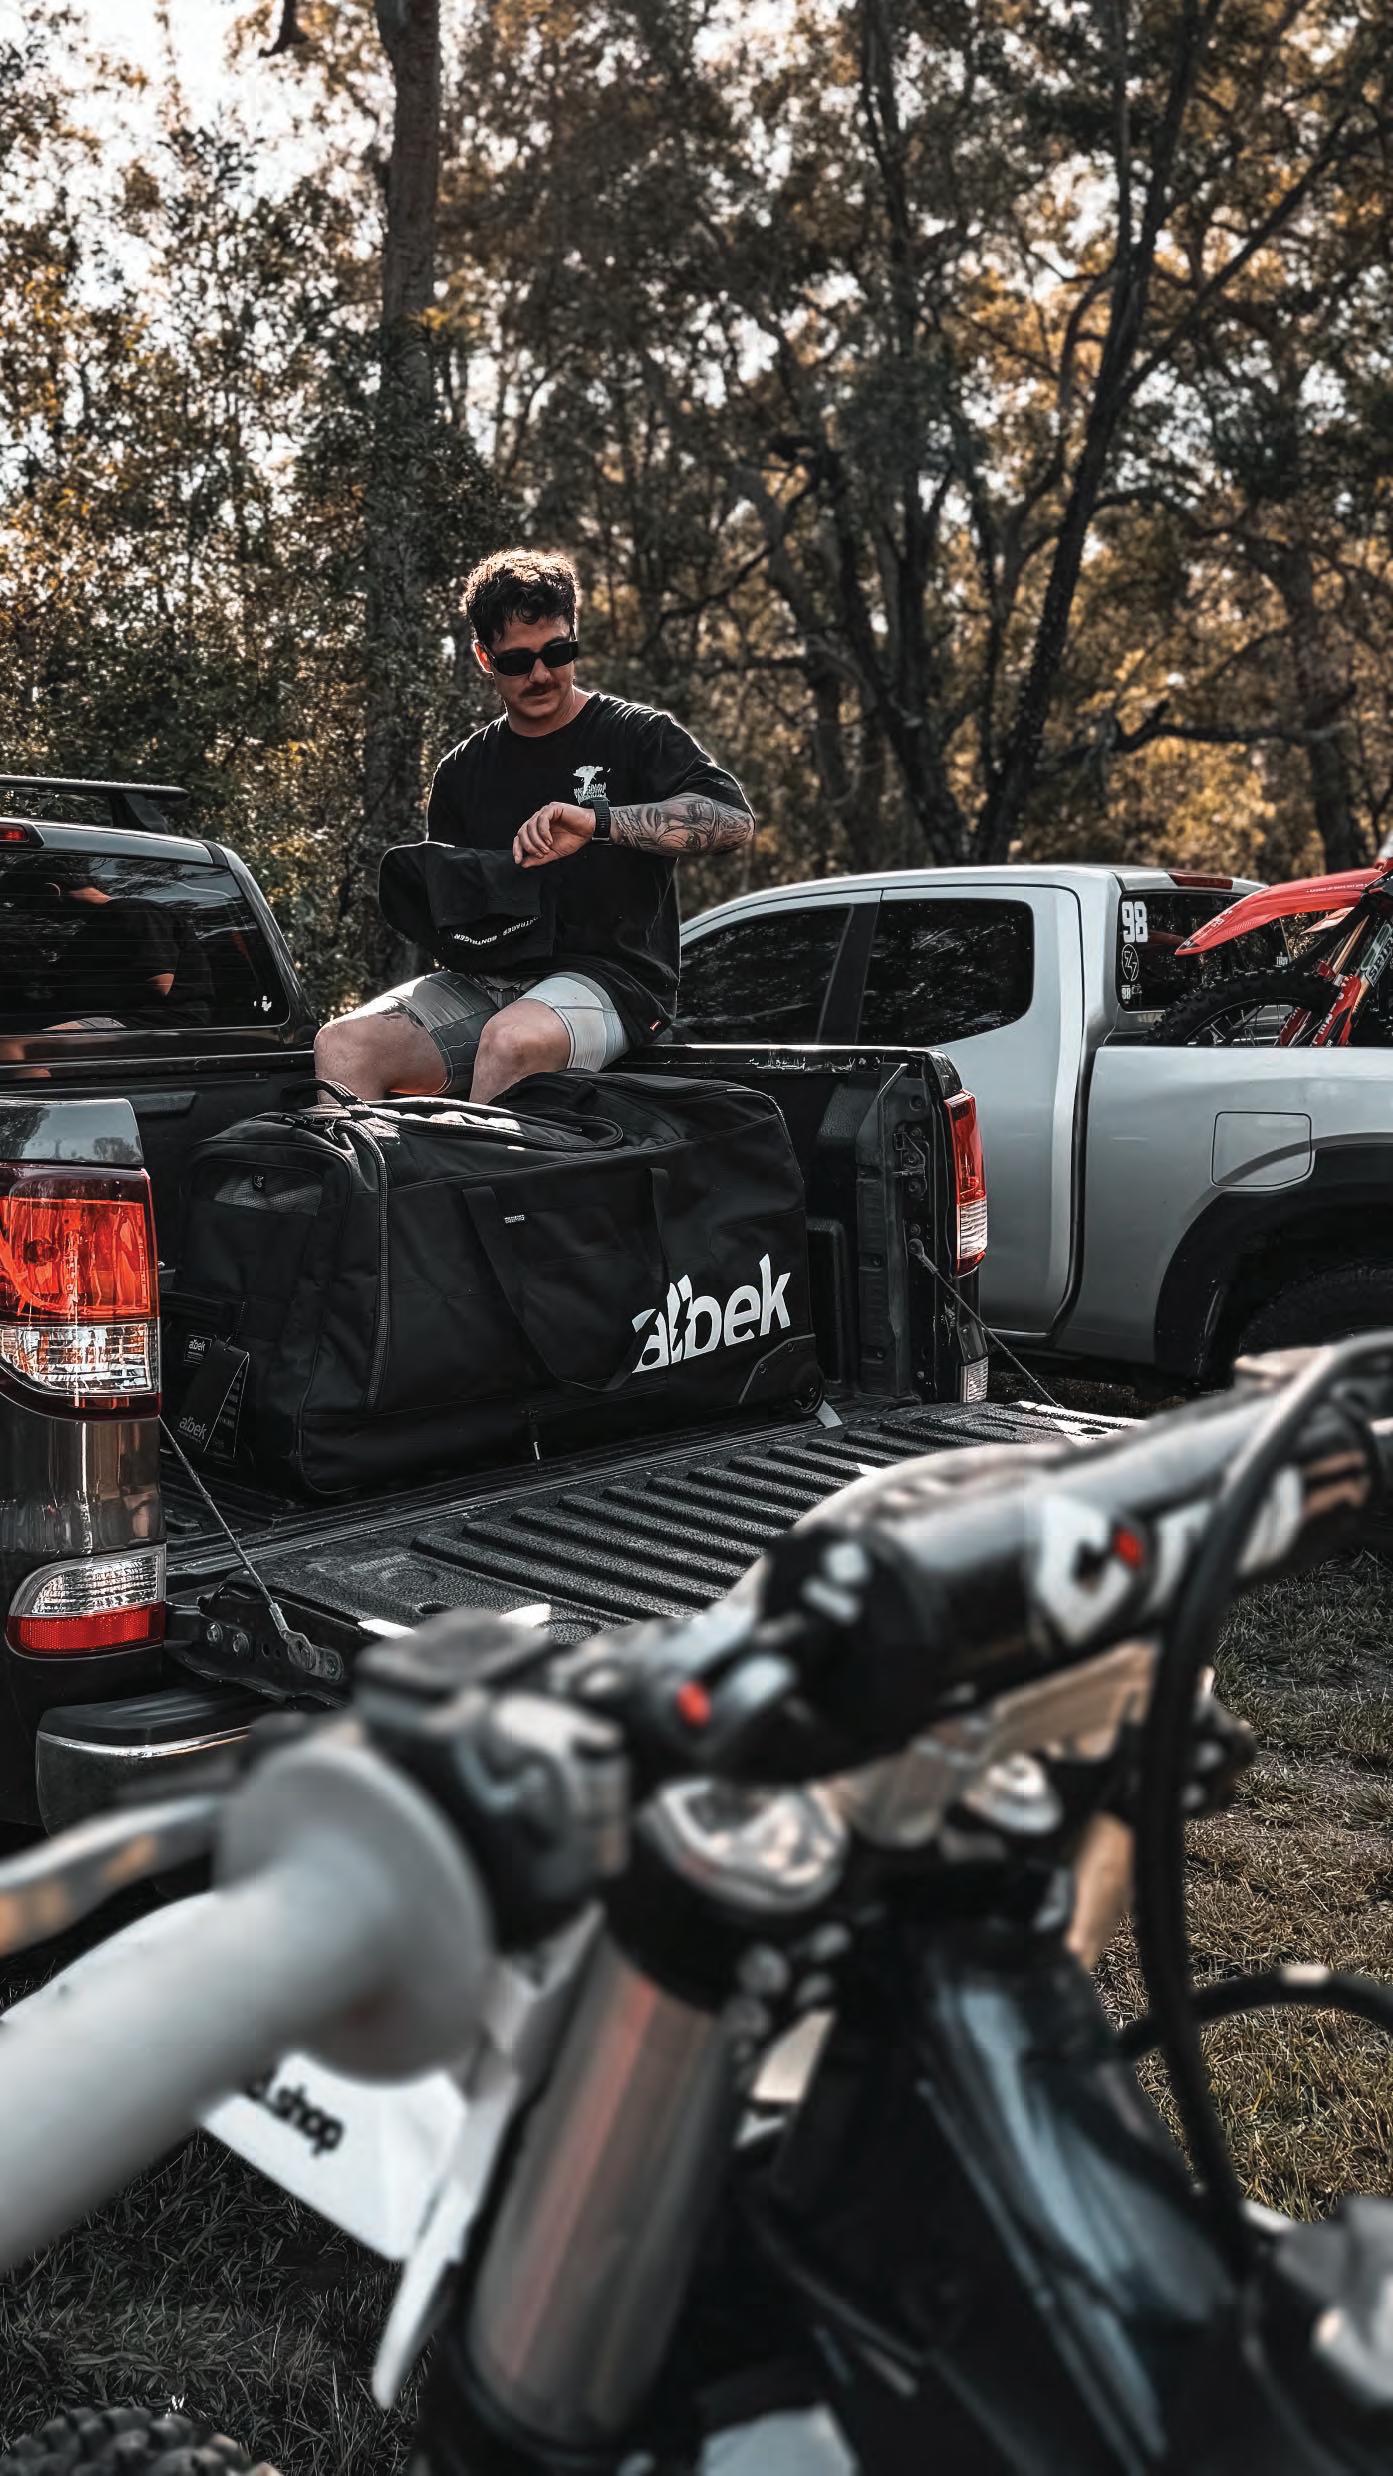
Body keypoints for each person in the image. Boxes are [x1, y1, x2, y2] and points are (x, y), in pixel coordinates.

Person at [315, 548, 755, 1105]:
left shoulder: (636, 734)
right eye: (518, 661)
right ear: (484, 657)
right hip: (485, 983)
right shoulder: (461, 772)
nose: (541, 674)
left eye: (557, 652)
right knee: (344, 1045)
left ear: (574, 636)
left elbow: (732, 822)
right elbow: (453, 921)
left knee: (511, 1041)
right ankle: (371, 1165)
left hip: (610, 982)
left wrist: (597, 823)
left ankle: (470, 1164)